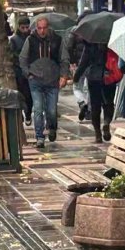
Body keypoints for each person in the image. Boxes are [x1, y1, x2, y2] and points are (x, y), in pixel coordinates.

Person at [19, 17, 70, 148]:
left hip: (52, 80)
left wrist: (64, 75)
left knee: (52, 110)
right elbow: (23, 58)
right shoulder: (31, 40)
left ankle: (52, 127)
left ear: (48, 27)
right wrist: (28, 73)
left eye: (44, 28)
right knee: (38, 108)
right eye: (39, 28)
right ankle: (39, 137)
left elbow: (64, 59)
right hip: (35, 80)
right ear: (36, 28)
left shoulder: (57, 40)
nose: (42, 31)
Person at [73, 41, 117, 143]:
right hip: (108, 76)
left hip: (94, 76)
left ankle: (97, 133)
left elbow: (83, 62)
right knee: (109, 103)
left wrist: (76, 76)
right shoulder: (112, 41)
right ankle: (106, 122)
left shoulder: (90, 43)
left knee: (95, 106)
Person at [67, 10, 92, 121]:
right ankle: (89, 109)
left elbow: (69, 47)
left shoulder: (75, 30)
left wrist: (72, 62)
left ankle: (82, 104)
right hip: (90, 63)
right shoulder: (94, 31)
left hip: (78, 63)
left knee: (77, 86)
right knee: (89, 87)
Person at [9, 16, 33, 126]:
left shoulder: (32, 38)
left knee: (29, 96)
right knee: (19, 94)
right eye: (23, 27)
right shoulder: (14, 39)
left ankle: (28, 113)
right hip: (18, 71)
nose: (25, 30)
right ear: (19, 27)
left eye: (27, 27)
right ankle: (21, 115)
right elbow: (11, 54)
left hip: (30, 70)